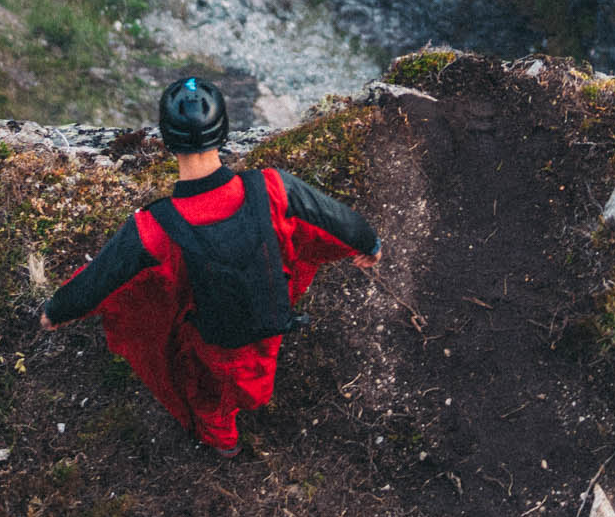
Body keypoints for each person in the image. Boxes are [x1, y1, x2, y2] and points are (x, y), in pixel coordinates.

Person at [38, 77, 381, 458]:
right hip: (271, 321)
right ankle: (256, 397)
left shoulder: (153, 229)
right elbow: (338, 220)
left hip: (215, 343)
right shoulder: (272, 187)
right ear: (224, 132)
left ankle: (225, 444)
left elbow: (100, 280)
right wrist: (370, 245)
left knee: (209, 397)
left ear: (167, 141)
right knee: (257, 372)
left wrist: (57, 311)